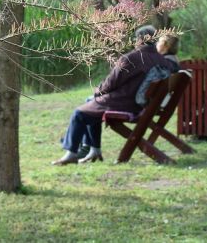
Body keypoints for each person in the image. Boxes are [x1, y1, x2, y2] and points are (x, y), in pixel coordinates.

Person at [52, 25, 173, 165]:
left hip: (126, 103)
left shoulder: (132, 58)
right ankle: (94, 150)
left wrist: (98, 92)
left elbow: (111, 83)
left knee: (80, 113)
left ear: (139, 40)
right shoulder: (164, 61)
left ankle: (71, 153)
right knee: (91, 106)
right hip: (145, 105)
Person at [135, 34, 180, 106]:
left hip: (149, 102)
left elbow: (141, 95)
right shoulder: (174, 63)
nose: (156, 44)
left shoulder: (162, 65)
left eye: (159, 41)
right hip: (162, 100)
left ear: (165, 46)